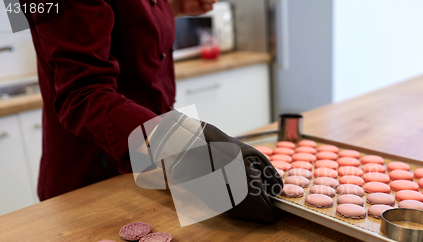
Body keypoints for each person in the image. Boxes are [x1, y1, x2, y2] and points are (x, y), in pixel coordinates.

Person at [22, 0, 282, 223]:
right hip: (95, 178)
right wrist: (181, 146)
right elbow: (82, 93)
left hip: (154, 169)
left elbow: (125, 24)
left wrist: (175, 6)